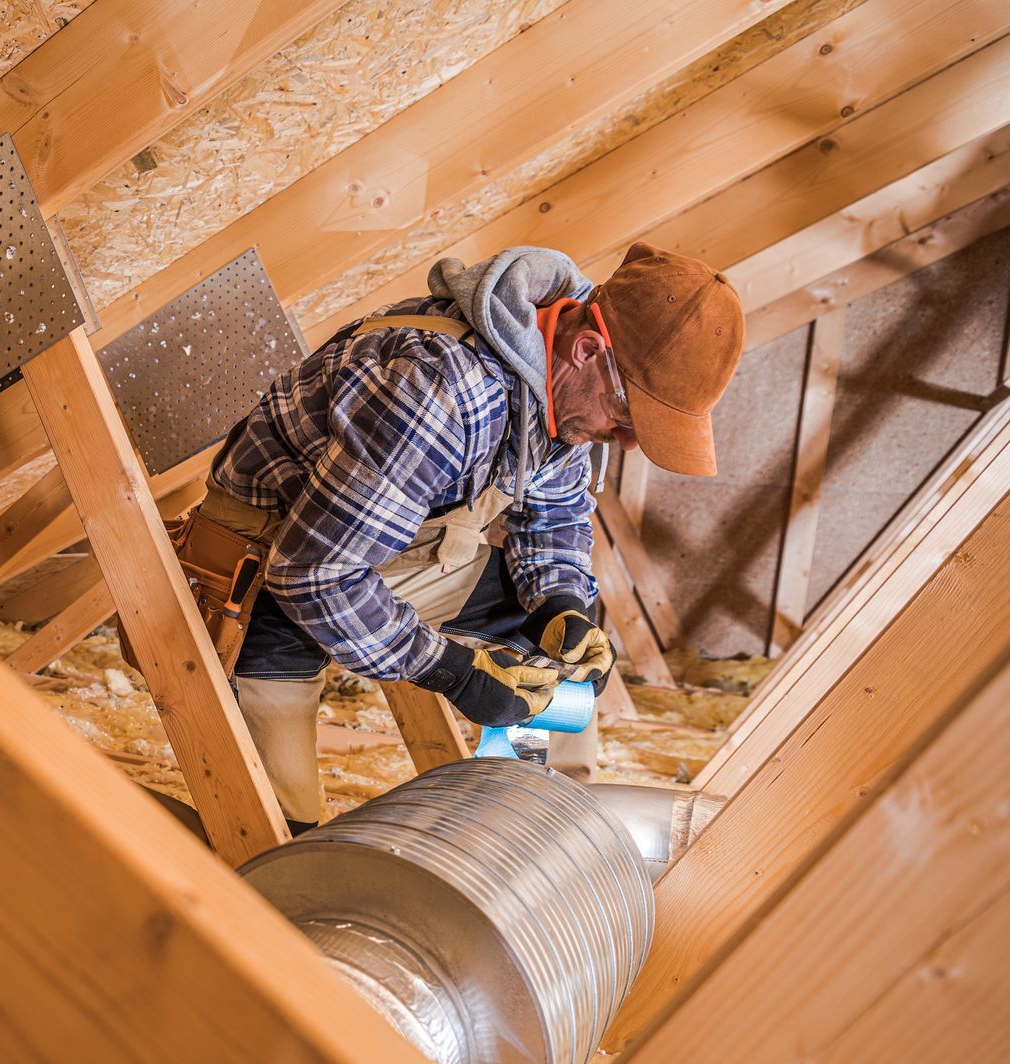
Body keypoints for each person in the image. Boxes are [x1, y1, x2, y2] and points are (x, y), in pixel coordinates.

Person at [200, 242, 743, 830]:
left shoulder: (563, 386)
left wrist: (559, 603)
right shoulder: (440, 388)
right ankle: (282, 842)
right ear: (588, 350)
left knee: (553, 650)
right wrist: (449, 670)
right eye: (629, 416)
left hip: (384, 543)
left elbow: (555, 517)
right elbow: (313, 573)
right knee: (280, 829)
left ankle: (554, 818)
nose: (630, 441)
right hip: (272, 564)